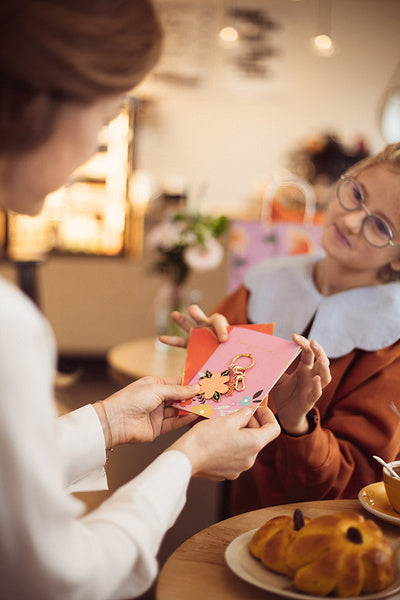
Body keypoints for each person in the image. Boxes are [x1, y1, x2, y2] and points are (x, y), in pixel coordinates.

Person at [0, 2, 289, 599]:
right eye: (105, 114)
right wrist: (186, 460)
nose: (95, 146)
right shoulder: (11, 327)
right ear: (37, 107)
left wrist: (105, 420)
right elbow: (56, 578)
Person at [163, 143, 400, 515]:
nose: (353, 221)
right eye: (356, 195)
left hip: (325, 539)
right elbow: (210, 403)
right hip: (235, 513)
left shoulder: (390, 346)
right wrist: (209, 356)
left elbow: (360, 484)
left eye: (381, 226)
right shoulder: (265, 283)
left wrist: (297, 424)